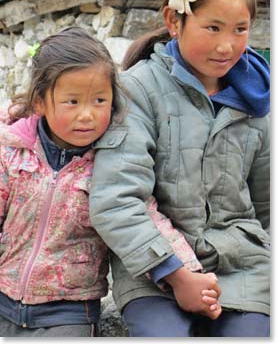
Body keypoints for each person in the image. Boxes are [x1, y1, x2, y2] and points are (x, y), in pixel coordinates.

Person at [0, 26, 218, 337]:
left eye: (99, 100)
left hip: (69, 310)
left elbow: (146, 216)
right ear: (40, 103)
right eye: (72, 102)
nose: (87, 115)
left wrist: (186, 273)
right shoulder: (13, 154)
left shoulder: (111, 162)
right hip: (3, 298)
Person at [89, 0, 270, 337]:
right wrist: (176, 273)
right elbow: (116, 198)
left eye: (240, 30)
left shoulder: (258, 101)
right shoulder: (138, 90)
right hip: (154, 272)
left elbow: (268, 203)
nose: (226, 45)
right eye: (213, 28)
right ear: (174, 21)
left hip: (242, 269)